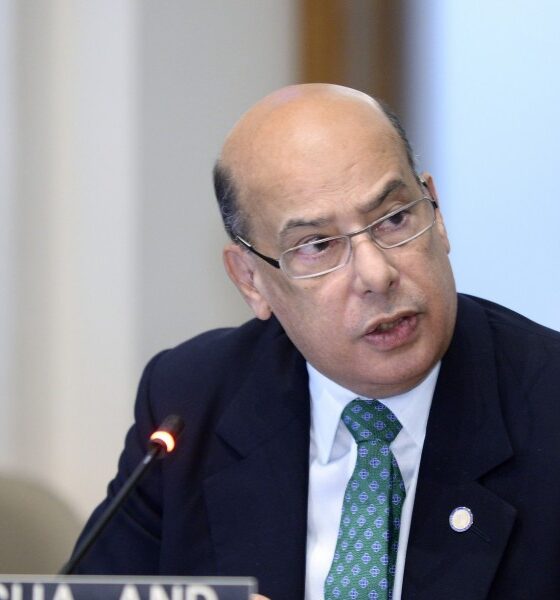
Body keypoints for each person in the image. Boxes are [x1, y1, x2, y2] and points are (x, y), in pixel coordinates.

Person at [72, 84, 560, 599]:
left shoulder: (548, 402)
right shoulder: (192, 403)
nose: (377, 274)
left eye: (395, 218)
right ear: (250, 280)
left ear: (435, 214)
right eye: (317, 245)